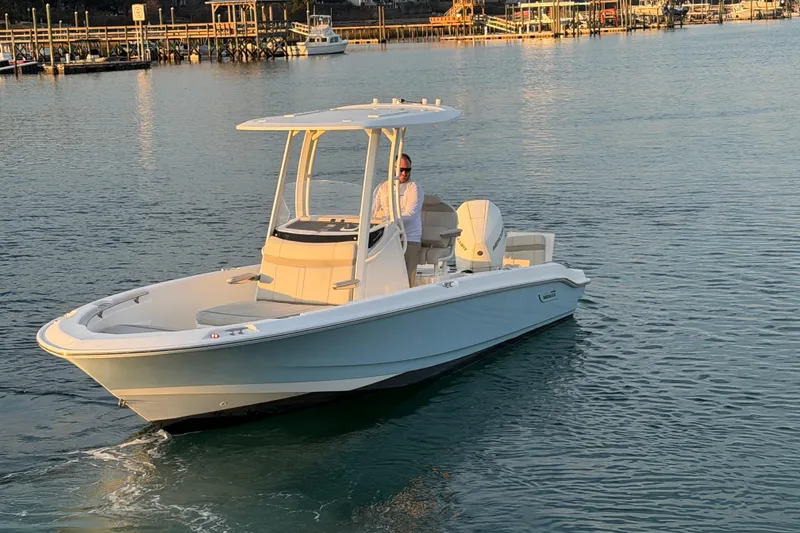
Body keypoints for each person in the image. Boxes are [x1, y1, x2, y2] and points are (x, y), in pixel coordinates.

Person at [372, 153, 423, 286]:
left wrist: (388, 222)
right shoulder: (383, 187)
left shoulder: (414, 188)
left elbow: (410, 214)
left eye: (407, 170)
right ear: (393, 169)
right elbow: (373, 212)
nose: (404, 173)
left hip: (409, 238)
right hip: (387, 237)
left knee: (406, 281)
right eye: (401, 169)